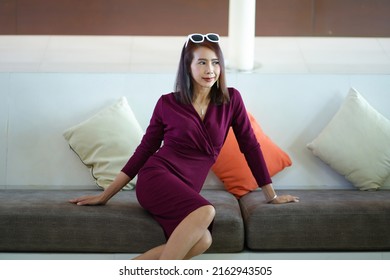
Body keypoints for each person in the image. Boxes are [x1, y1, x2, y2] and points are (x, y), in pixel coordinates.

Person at [69, 33, 299, 260]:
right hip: (156, 178)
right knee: (207, 211)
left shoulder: (231, 100)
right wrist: (106, 195)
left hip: (186, 189)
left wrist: (271, 196)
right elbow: (144, 151)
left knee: (204, 241)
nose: (210, 69)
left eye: (215, 62)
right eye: (202, 62)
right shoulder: (167, 103)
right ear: (187, 66)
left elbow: (250, 146)